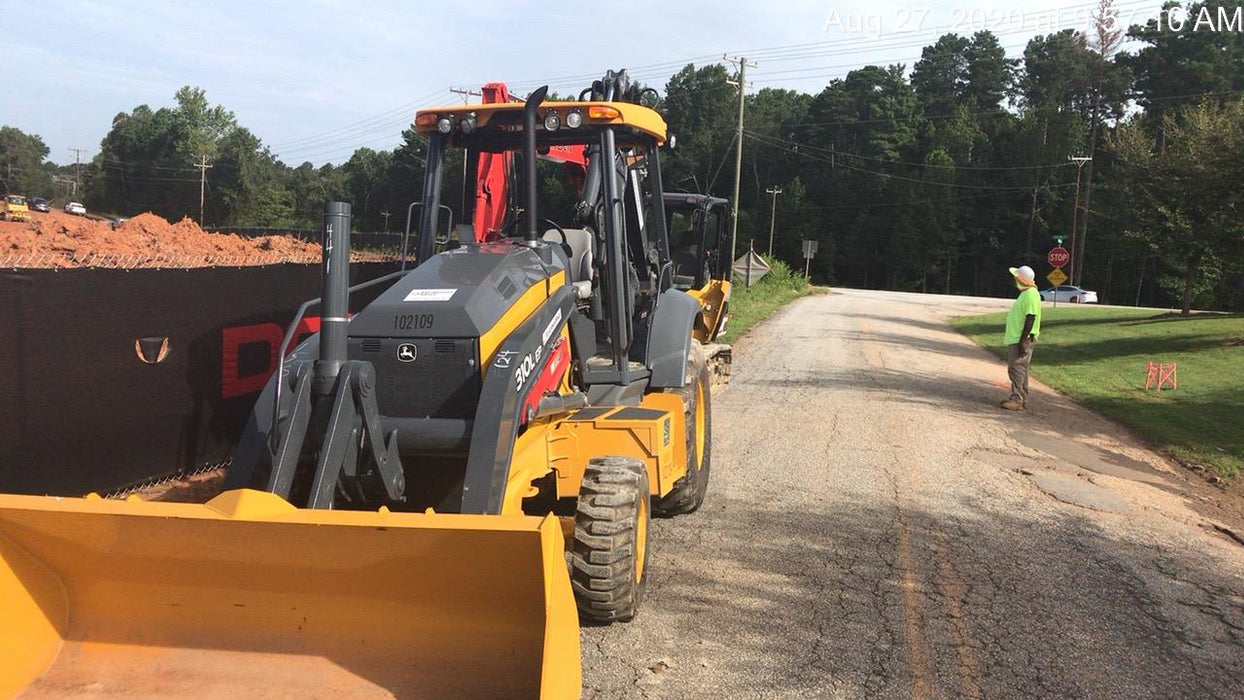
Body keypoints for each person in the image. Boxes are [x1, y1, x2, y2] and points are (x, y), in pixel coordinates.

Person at [1001, 265, 1042, 411]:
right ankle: (1021, 398)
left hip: (1022, 338)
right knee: (1021, 368)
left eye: (1017, 277)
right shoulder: (1027, 293)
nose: (1015, 279)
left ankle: (1017, 399)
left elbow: (1031, 317)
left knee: (1016, 368)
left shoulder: (1031, 294)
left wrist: (1023, 340)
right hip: (1018, 337)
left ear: (1021, 279)